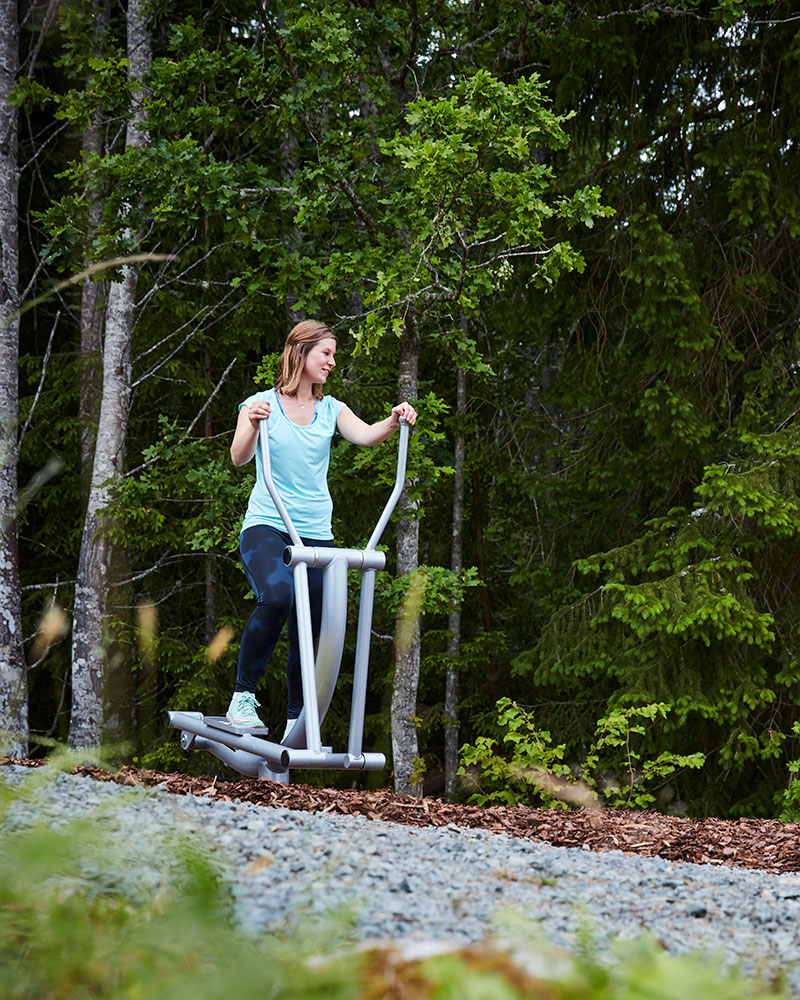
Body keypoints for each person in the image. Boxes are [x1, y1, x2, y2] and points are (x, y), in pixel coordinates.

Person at [227, 319, 417, 734]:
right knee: (277, 595)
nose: (332, 361)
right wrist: (253, 422)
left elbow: (367, 436)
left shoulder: (331, 409)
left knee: (310, 626)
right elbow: (239, 457)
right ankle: (242, 697)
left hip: (316, 534)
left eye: (333, 354)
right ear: (300, 353)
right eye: (325, 353)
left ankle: (299, 718)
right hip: (268, 525)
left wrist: (396, 419)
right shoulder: (259, 404)